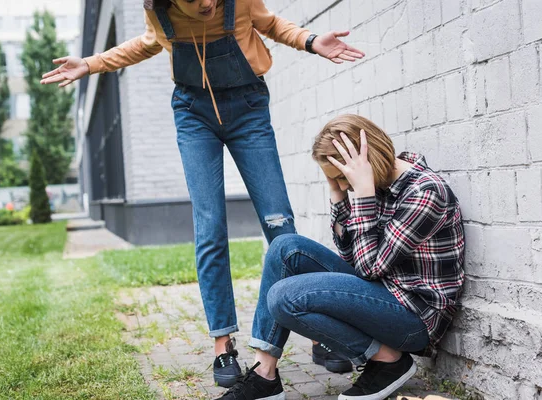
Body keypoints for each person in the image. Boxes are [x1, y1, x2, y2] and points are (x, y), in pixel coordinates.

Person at [40, 0, 365, 388]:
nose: (207, 3)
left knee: (281, 225)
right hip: (193, 114)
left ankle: (318, 333)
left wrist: (312, 41)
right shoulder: (159, 11)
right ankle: (223, 344)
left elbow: (271, 24)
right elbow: (146, 44)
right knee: (210, 228)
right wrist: (92, 63)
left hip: (249, 109)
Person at [219, 114, 465, 400]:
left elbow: (367, 268)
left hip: (414, 320)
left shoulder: (425, 193)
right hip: (383, 293)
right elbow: (350, 255)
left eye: (342, 178)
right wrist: (338, 194)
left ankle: (388, 361)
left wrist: (362, 194)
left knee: (284, 297)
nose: (344, 185)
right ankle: (264, 376)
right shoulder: (380, 182)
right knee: (285, 247)